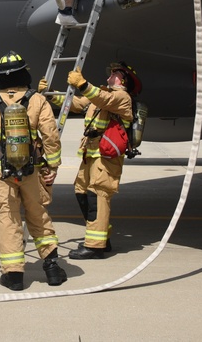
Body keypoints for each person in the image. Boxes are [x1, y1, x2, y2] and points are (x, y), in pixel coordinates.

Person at [0, 51, 67, 291]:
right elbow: (51, 135)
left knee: (9, 220)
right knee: (38, 216)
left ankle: (14, 276)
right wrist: (51, 166)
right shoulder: (37, 100)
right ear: (24, 74)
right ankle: (52, 268)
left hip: (0, 173)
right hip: (31, 170)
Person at [62, 63, 139, 259]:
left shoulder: (122, 97)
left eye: (114, 74)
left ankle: (95, 246)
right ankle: (102, 236)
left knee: (97, 196)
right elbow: (78, 103)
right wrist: (50, 95)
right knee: (81, 192)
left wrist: (82, 83)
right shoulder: (102, 97)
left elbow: (103, 98)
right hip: (91, 153)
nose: (109, 76)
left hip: (106, 158)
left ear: (123, 80)